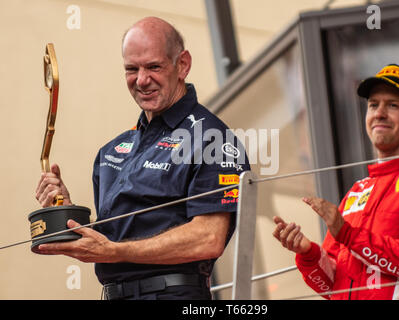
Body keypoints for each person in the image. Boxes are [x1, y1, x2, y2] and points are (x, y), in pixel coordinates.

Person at [35, 16, 250, 300]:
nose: (142, 79)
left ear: (182, 64)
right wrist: (66, 211)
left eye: (153, 67)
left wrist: (115, 252)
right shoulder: (112, 150)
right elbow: (112, 238)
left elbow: (208, 239)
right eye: (131, 69)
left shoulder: (212, 138)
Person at [273, 64, 399, 300]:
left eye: (393, 105)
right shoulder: (359, 189)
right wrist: (308, 254)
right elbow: (332, 286)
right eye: (373, 105)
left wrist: (348, 234)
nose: (379, 113)